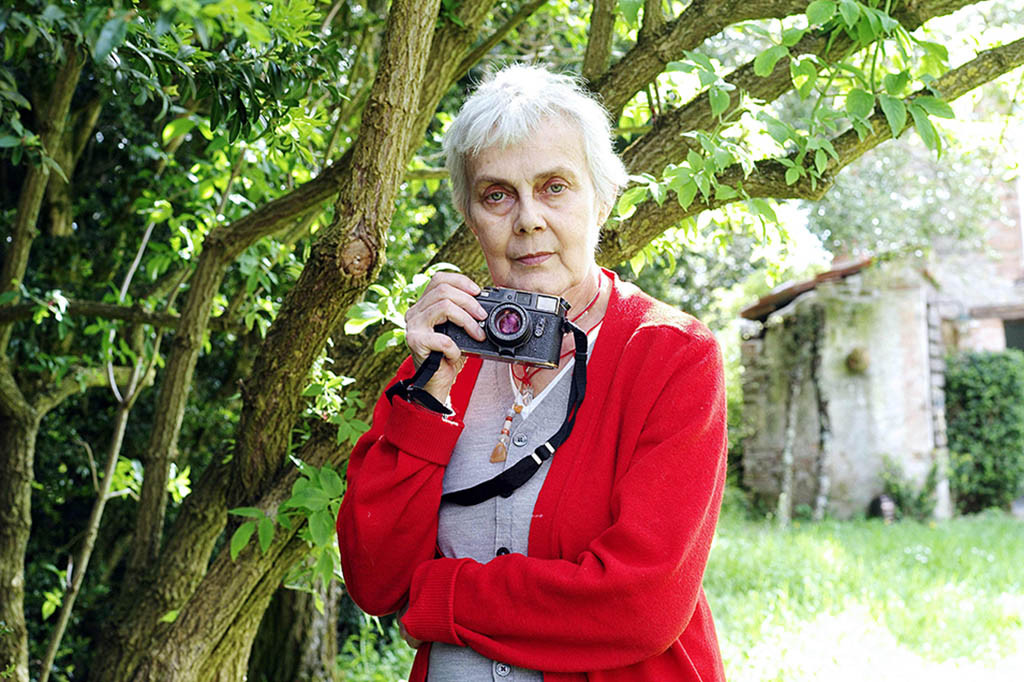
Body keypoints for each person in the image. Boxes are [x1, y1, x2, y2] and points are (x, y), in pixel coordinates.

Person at [336, 63, 728, 682]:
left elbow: (639, 604)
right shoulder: (445, 354)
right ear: (470, 217)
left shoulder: (671, 355)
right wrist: (426, 398)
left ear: (602, 198)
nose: (527, 219)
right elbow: (376, 581)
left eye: (555, 187)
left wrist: (442, 597)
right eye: (497, 194)